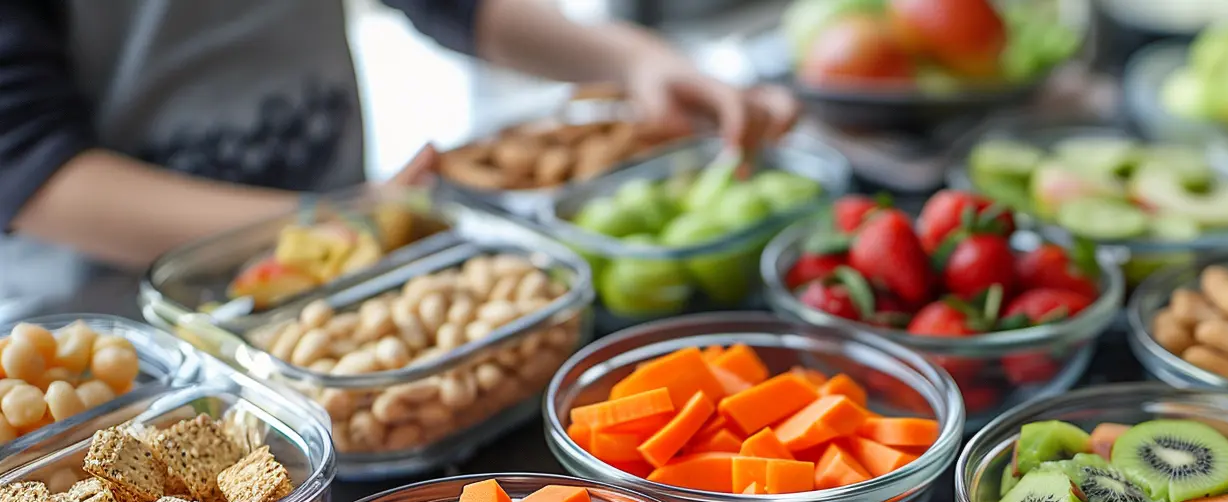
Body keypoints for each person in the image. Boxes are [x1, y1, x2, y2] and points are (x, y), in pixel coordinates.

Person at [0, 0, 797, 311]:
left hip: (339, 268)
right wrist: (332, 220)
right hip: (105, 317)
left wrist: (628, 59)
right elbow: (36, 171)